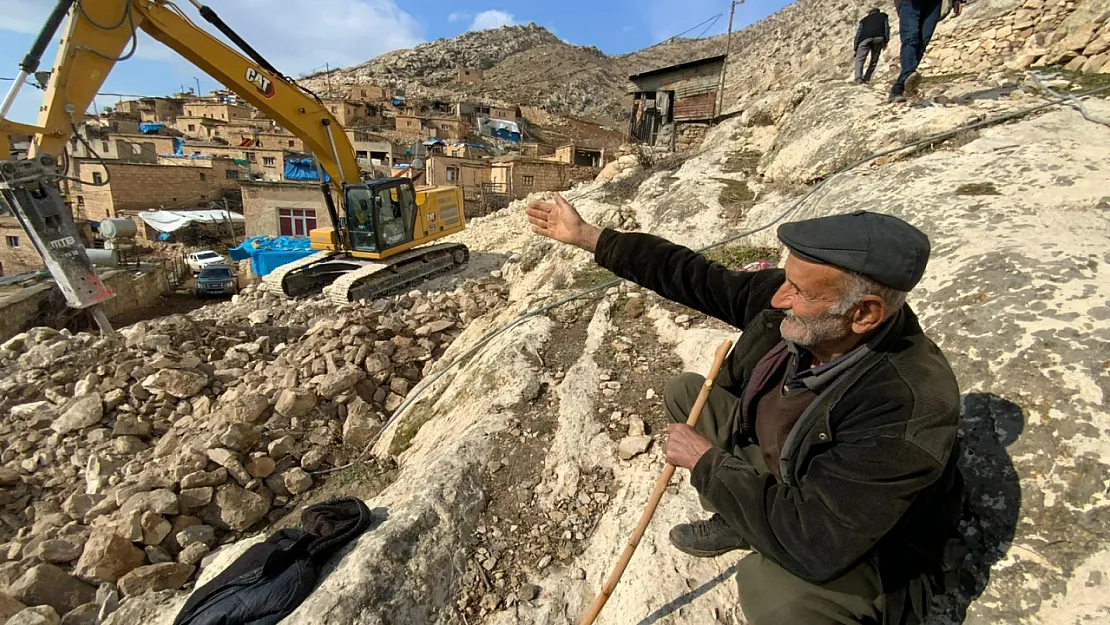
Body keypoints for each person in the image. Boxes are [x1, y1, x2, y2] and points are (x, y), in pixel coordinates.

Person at [526, 195, 964, 625]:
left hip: (862, 546)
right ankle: (747, 518)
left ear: (865, 314)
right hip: (786, 468)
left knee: (772, 592)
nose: (779, 298)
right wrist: (588, 237)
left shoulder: (908, 405)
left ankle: (765, 529)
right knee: (687, 394)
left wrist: (707, 465)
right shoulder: (798, 310)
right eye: (787, 280)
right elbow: (691, 275)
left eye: (799, 291)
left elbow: (817, 540)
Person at [890, 0, 963, 102]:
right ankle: (901, 86)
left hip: (934, 4)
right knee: (911, 38)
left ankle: (901, 86)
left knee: (922, 43)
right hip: (909, 3)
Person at [854, 8, 890, 84]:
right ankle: (867, 78)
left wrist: (856, 48)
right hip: (879, 38)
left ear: (869, 13)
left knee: (859, 60)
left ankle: (858, 79)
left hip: (865, 39)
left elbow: (858, 34)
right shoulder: (883, 16)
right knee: (874, 60)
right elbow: (886, 28)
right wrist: (886, 41)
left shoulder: (864, 20)